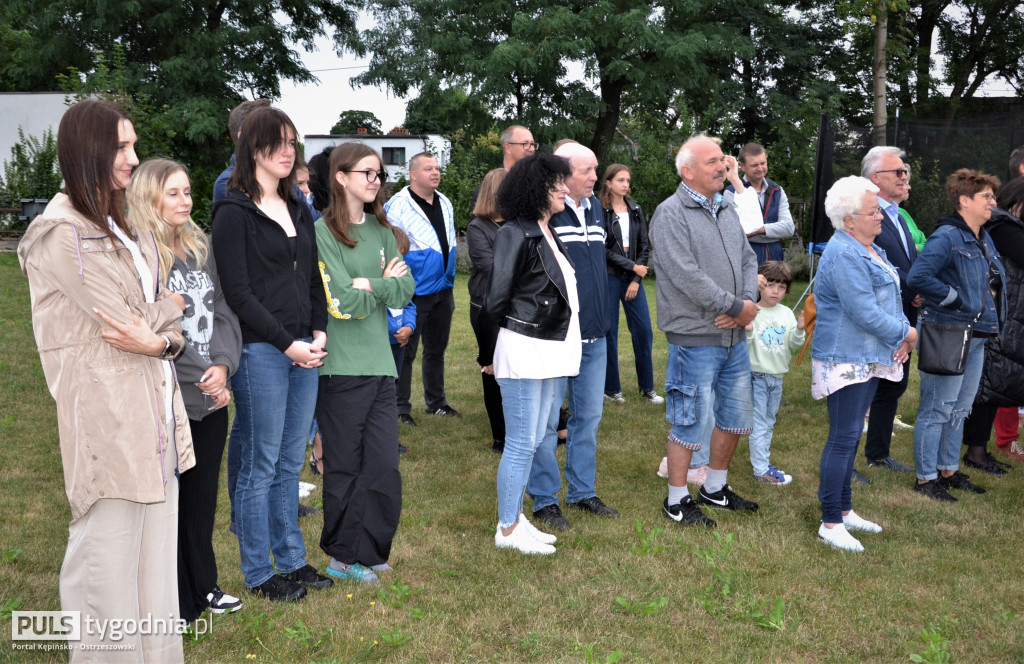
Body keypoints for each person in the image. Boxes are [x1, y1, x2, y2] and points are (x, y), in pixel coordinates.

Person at [18, 100, 194, 661]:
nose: (133, 158)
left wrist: (162, 328)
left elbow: (156, 328)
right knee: (107, 582)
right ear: (88, 150)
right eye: (121, 147)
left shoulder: (127, 229)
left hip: (158, 420)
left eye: (133, 145)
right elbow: (127, 320)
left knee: (155, 582)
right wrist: (166, 312)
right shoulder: (60, 233)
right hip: (109, 429)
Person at [212, 106, 333, 601]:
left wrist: (319, 332)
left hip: (306, 347)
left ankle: (293, 560)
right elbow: (238, 294)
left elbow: (311, 276)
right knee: (260, 465)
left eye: (292, 143)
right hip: (264, 351)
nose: (288, 152)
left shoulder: (299, 206)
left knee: (287, 463)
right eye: (277, 143)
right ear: (252, 148)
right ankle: (260, 573)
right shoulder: (233, 212)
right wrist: (288, 343)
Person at [127, 158, 244, 620]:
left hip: (211, 393)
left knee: (201, 500)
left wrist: (224, 365)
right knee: (167, 501)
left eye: (188, 192)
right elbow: (152, 327)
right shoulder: (142, 254)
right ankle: (172, 597)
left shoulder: (201, 246)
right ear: (148, 197)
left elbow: (224, 314)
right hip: (170, 392)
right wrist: (203, 371)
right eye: (172, 192)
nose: (184, 201)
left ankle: (204, 585)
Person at [314, 143, 414, 583]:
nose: (375, 181)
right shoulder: (322, 232)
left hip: (381, 365)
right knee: (345, 467)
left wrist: (365, 284)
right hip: (340, 367)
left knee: (383, 467)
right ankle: (340, 557)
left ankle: (370, 549)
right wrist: (379, 284)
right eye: (366, 173)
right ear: (341, 177)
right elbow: (338, 301)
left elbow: (405, 291)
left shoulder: (383, 232)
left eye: (379, 174)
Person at [650, 135, 760, 529]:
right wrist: (734, 307)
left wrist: (747, 304)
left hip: (734, 336)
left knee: (734, 417)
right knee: (690, 420)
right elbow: (684, 274)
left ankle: (715, 488)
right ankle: (677, 499)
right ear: (688, 171)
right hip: (695, 337)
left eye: (723, 160)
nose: (723, 167)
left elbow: (749, 258)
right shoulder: (670, 214)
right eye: (713, 161)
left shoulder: (727, 206)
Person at [478, 153, 580, 555]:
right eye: (558, 186)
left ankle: (517, 518)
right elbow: (495, 300)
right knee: (521, 441)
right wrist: (488, 354)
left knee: (539, 437)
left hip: (550, 349)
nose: (565, 191)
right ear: (537, 189)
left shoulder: (546, 230)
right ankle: (506, 528)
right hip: (524, 347)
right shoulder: (514, 233)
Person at [811, 176, 915, 551]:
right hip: (846, 356)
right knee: (843, 437)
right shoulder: (843, 253)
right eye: (873, 212)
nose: (881, 218)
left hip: (868, 354)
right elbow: (864, 312)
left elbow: (887, 302)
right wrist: (908, 334)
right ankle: (830, 522)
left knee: (852, 433)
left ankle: (844, 510)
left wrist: (901, 329)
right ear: (849, 219)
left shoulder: (869, 247)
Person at [529, 142, 619, 531]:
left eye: (596, 169)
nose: (595, 177)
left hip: (595, 336)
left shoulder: (597, 209)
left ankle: (582, 492)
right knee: (547, 423)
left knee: (589, 418)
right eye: (588, 170)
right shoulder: (544, 212)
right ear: (563, 174)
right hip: (556, 338)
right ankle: (545, 500)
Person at [908, 169, 1005, 499]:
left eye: (993, 196)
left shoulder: (982, 236)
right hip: (948, 331)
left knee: (959, 409)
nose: (993, 202)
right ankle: (925, 479)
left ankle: (948, 471)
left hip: (977, 335)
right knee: (937, 408)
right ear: (965, 200)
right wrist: (954, 298)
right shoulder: (947, 236)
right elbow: (919, 276)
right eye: (987, 197)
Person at [385, 152, 459, 424]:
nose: (435, 172)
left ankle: (436, 402)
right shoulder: (398, 205)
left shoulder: (445, 202)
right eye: (428, 168)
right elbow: (393, 246)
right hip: (414, 290)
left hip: (444, 287)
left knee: (436, 349)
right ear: (413, 174)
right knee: (406, 351)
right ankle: (400, 408)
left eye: (437, 168)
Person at [860, 146, 919, 473]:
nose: (904, 176)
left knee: (894, 382)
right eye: (897, 171)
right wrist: (915, 289)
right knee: (867, 384)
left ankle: (878, 454)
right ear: (875, 178)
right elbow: (877, 263)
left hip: (904, 311)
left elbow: (906, 263)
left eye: (904, 171)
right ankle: (851, 457)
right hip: (881, 315)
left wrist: (917, 289)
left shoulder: (896, 214)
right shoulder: (868, 214)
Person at [964, 178, 1024, 466]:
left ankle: (980, 450)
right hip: (997, 315)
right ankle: (975, 452)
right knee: (986, 385)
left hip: (1004, 314)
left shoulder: (1003, 225)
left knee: (992, 384)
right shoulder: (1004, 227)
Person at [599, 163, 662, 405]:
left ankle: (647, 389)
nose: (626, 185)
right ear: (608, 183)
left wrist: (636, 277)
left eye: (627, 180)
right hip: (609, 276)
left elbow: (644, 248)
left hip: (632, 278)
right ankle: (611, 389)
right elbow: (601, 249)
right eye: (620, 180)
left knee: (644, 331)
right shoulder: (599, 210)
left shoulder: (635, 209)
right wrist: (631, 266)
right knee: (610, 332)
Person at [746, 261, 806, 484]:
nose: (775, 291)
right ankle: (761, 470)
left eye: (781, 287)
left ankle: (763, 461)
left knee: (769, 421)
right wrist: (749, 330)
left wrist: (799, 329)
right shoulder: (752, 309)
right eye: (770, 285)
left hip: (776, 378)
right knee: (759, 423)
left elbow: (793, 343)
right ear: (760, 284)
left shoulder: (787, 313)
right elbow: (745, 344)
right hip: (756, 377)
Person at [467, 168, 509, 453]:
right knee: (493, 371)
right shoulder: (477, 227)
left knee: (515, 368)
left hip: (517, 306)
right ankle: (500, 437)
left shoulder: (520, 222)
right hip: (487, 310)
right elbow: (489, 267)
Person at [723, 143, 795, 264]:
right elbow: (736, 231)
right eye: (754, 165)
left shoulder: (777, 190)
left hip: (775, 257)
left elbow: (789, 228)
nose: (760, 168)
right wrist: (774, 232)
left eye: (763, 163)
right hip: (745, 256)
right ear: (742, 166)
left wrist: (760, 230)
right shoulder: (731, 193)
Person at [386, 225, 417, 455]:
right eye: (397, 256)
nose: (401, 262)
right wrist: (392, 329)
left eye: (403, 257)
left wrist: (408, 327)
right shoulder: (377, 280)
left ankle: (390, 438)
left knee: (392, 391)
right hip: (382, 345)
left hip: (398, 345)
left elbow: (409, 304)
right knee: (381, 393)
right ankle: (381, 439)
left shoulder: (404, 277)